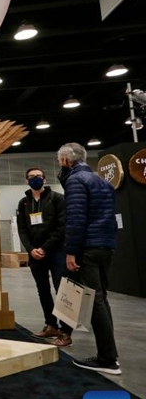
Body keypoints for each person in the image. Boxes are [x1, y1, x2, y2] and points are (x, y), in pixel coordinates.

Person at [57, 142, 121, 375]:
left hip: (88, 248)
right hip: (106, 246)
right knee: (102, 299)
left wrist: (71, 251)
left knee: (94, 301)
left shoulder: (76, 181)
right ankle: (109, 353)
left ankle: (107, 359)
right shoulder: (101, 181)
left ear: (65, 161)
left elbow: (75, 219)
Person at [16, 167, 73, 347]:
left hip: (56, 252)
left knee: (62, 291)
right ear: (26, 180)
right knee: (43, 290)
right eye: (32, 177)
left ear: (45, 179)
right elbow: (22, 229)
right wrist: (31, 249)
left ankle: (65, 332)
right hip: (35, 255)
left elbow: (61, 227)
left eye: (39, 176)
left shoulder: (57, 199)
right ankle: (51, 325)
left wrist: (45, 248)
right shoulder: (24, 203)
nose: (35, 179)